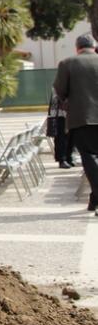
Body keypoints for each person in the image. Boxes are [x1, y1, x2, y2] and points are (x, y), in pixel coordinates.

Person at [53, 33, 98, 213]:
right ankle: (94, 200)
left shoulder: (68, 63)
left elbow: (59, 90)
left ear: (77, 48)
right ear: (94, 47)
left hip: (82, 118)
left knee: (89, 157)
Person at [47, 89, 74, 169]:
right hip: (59, 115)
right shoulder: (60, 83)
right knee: (61, 138)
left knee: (70, 137)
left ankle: (68, 158)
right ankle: (62, 160)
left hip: (70, 114)